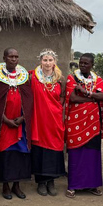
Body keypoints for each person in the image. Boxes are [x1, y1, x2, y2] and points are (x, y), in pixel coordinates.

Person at [0, 48, 33, 200]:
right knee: (5, 154)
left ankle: (17, 185)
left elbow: (29, 100)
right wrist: (5, 120)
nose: (14, 59)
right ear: (4, 58)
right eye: (11, 56)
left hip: (20, 124)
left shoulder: (24, 77)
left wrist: (22, 118)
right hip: (4, 123)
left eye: (16, 56)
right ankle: (5, 186)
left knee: (21, 154)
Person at [64, 53, 103, 198]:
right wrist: (92, 97)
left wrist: (85, 92)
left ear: (92, 65)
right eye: (81, 63)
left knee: (92, 154)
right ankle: (73, 186)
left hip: (93, 123)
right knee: (76, 155)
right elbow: (72, 98)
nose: (82, 65)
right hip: (75, 124)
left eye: (86, 63)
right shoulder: (72, 78)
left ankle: (92, 185)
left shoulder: (98, 79)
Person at [30, 49, 67, 196]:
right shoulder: (32, 76)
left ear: (54, 62)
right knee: (40, 150)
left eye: (50, 60)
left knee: (54, 150)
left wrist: (56, 110)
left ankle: (51, 181)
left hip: (54, 120)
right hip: (39, 120)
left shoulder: (60, 79)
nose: (47, 63)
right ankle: (41, 182)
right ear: (40, 61)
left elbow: (62, 97)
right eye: (45, 60)